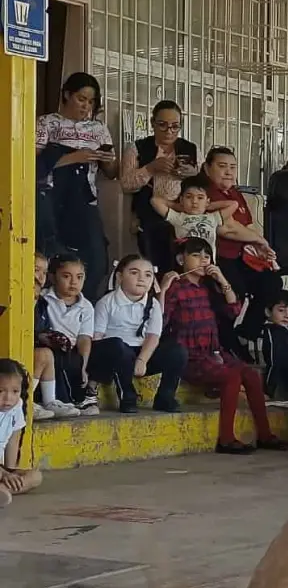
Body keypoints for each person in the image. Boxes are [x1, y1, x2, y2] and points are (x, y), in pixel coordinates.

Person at [161, 239, 287, 455]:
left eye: (207, 256)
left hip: (213, 352)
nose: (203, 260)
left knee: (251, 374)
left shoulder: (209, 287)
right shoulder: (175, 287)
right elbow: (160, 321)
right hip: (190, 356)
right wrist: (162, 289)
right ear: (182, 259)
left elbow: (234, 310)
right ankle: (226, 438)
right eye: (196, 255)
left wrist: (221, 279)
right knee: (232, 376)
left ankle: (265, 434)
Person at [35, 73, 118, 298]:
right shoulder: (47, 123)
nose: (86, 106)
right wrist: (75, 157)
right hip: (51, 199)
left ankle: (83, 308)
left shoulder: (99, 129)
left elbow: (111, 173)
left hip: (85, 199)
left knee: (96, 258)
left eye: (91, 101)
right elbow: (33, 166)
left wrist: (108, 161)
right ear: (66, 95)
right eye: (81, 99)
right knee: (51, 252)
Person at [201, 147, 282, 345]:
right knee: (235, 289)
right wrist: (259, 240)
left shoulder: (235, 193)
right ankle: (228, 342)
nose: (229, 172)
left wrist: (260, 249)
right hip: (218, 255)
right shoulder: (204, 193)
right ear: (206, 168)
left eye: (233, 167)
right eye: (222, 167)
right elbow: (226, 228)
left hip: (241, 256)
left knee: (271, 282)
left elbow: (247, 226)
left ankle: (247, 332)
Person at [89, 255, 187, 414]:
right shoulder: (106, 302)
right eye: (134, 273)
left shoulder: (153, 304)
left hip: (142, 353)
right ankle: (127, 396)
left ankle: (165, 397)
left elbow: (153, 336)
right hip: (116, 355)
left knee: (177, 351)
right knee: (118, 347)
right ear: (120, 276)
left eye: (148, 275)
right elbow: (97, 337)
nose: (142, 279)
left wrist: (142, 360)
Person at [119, 100, 200, 271]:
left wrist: (192, 173)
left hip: (185, 213)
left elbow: (203, 181)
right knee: (158, 247)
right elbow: (126, 184)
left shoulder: (191, 149)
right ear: (152, 123)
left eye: (175, 126)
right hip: (151, 214)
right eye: (162, 125)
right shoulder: (137, 148)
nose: (169, 131)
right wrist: (150, 168)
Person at [38, 254, 99, 415]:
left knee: (107, 348)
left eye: (79, 277)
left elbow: (84, 337)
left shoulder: (86, 306)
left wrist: (84, 366)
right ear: (52, 277)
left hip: (73, 350)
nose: (74, 282)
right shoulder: (43, 298)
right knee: (55, 355)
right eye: (66, 276)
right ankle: (62, 401)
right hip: (52, 348)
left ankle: (84, 397)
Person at [154, 176, 269, 256]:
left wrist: (207, 206)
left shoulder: (213, 218)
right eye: (189, 197)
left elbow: (233, 204)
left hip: (208, 264)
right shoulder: (177, 217)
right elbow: (155, 201)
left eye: (200, 198)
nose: (194, 201)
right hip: (186, 261)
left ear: (207, 201)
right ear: (182, 200)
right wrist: (179, 206)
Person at [0, 359, 43, 506]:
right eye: (0, 391)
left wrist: (10, 473)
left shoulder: (16, 406)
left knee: (36, 476)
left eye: (15, 391)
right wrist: (3, 474)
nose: (8, 398)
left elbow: (13, 440)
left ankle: (4, 489)